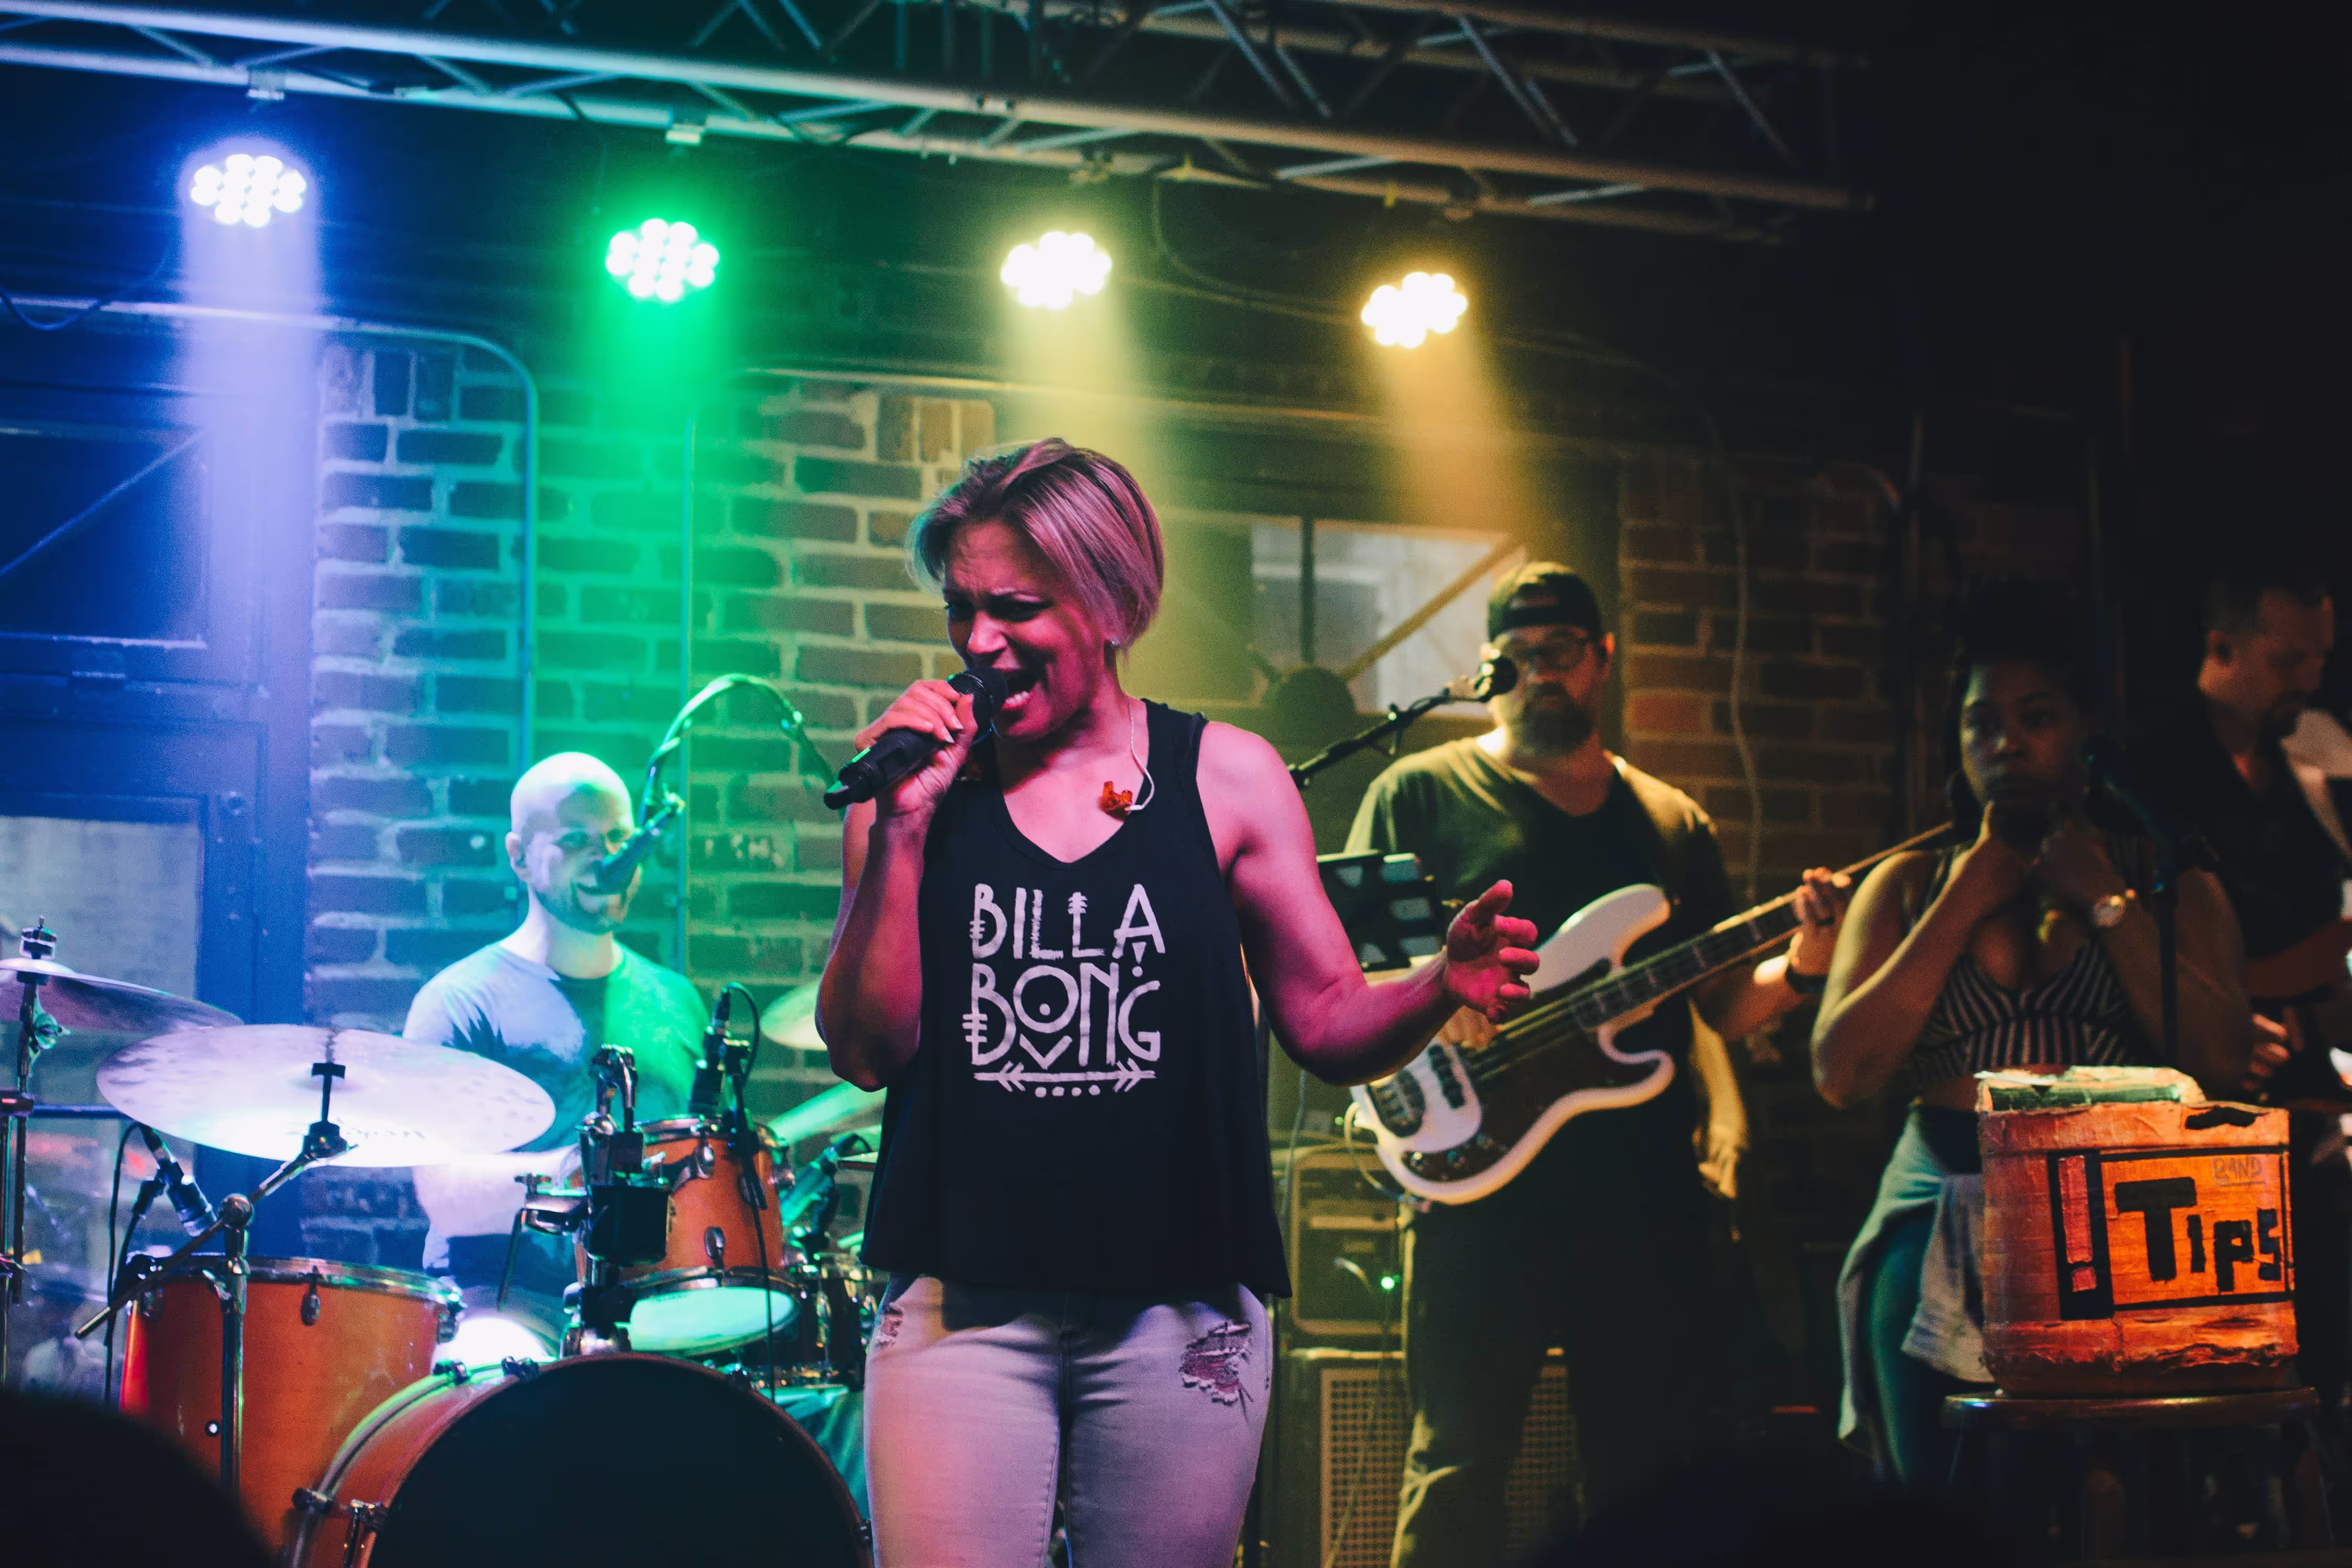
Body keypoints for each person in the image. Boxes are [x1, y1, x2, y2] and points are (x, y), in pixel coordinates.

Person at [819, 439, 1541, 1568]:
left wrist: (1436, 987)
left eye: (1014, 607)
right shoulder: (910, 794)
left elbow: (1324, 1019)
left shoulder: (1228, 776)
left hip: (1181, 1310)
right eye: (960, 608)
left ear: (1110, 602)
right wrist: (903, 826)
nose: (977, 642)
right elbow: (866, 1048)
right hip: (964, 1301)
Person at [1347, 562, 1849, 1566]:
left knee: (1645, 1475)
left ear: (1602, 658)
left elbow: (1723, 1003)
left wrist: (1802, 965)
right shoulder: (1417, 792)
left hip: (1640, 1201)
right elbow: (1341, 971)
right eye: (1518, 660)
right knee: (1456, 1468)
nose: (1540, 677)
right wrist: (1430, 1005)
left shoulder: (1669, 821)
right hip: (1477, 1192)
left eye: (1561, 655)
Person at [1816, 580, 2254, 1489]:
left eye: (2035, 716)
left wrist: (2101, 896)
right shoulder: (1905, 884)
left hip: (2113, 1216)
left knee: (2114, 1496)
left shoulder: (2166, 877)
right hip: (1940, 1195)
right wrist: (1965, 895)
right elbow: (1842, 1071)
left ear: (2085, 731)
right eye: (1980, 723)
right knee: (1936, 1507)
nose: (2005, 740)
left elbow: (2220, 1061)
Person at [2130, 554, 2350, 1425]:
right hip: (2196, 1091)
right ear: (2222, 647)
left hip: (2296, 1090)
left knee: (2321, 1316)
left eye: (2321, 657)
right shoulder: (2155, 765)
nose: (2311, 678)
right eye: (2289, 659)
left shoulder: (2293, 766)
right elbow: (2143, 937)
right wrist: (2230, 1009)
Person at [403, 752, 708, 1341]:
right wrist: (585, 1173)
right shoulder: (461, 1002)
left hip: (657, 1307)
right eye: (576, 840)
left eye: (619, 837)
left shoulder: (678, 1000)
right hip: (510, 1304)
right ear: (519, 856)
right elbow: (444, 1196)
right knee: (497, 1375)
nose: (608, 856)